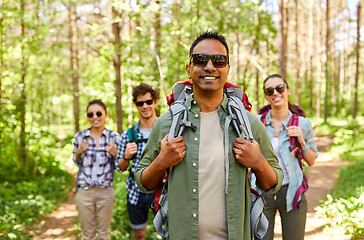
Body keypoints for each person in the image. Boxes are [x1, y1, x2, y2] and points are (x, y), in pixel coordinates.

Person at [134, 31, 283, 240]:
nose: (210, 66)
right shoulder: (166, 123)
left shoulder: (249, 124)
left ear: (228, 69)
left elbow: (272, 182)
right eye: (200, 59)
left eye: (219, 60)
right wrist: (161, 163)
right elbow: (143, 181)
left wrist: (258, 162)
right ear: (189, 69)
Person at [257, 74, 318, 240]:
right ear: (266, 96)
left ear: (288, 90)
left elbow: (311, 160)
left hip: (292, 191)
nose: (275, 93)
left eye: (280, 88)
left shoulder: (303, 124)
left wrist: (302, 142)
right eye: (270, 90)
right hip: (263, 192)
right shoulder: (257, 123)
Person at [115, 84, 159, 240]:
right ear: (136, 105)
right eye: (140, 103)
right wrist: (126, 156)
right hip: (136, 192)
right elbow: (119, 167)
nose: (145, 106)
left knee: (170, 231)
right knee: (139, 234)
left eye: (148, 102)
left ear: (155, 102)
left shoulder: (167, 129)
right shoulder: (128, 134)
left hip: (163, 190)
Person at [73, 99, 121, 240]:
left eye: (98, 113)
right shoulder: (80, 137)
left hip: (105, 191)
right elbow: (76, 162)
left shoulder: (115, 138)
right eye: (90, 114)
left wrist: (115, 154)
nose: (95, 117)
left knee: (104, 233)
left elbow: (120, 166)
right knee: (87, 234)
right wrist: (79, 152)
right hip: (84, 191)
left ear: (106, 115)